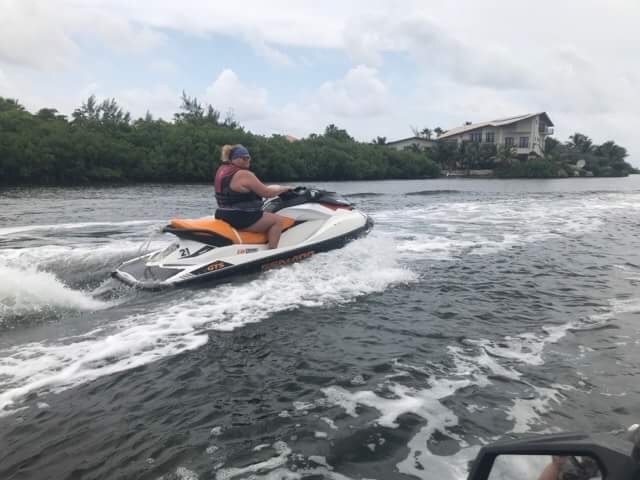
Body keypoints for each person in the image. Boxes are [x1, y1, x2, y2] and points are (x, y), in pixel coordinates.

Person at [214, 144, 290, 249]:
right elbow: (267, 193)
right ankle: (272, 253)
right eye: (244, 158)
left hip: (222, 214)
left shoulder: (222, 170)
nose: (247, 160)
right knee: (277, 221)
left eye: (248, 157)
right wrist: (284, 189)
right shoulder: (243, 174)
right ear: (234, 159)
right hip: (239, 217)